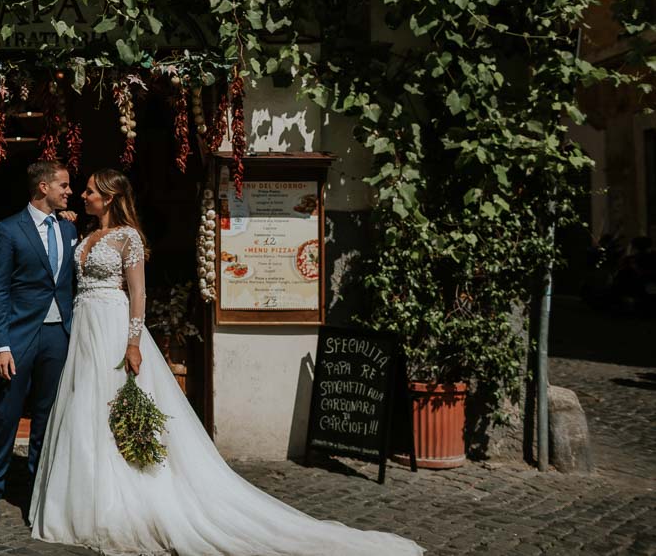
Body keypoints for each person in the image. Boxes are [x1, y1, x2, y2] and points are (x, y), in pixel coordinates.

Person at [30, 168, 424, 556]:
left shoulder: (127, 238)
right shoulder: (83, 233)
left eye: (89, 191)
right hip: (84, 332)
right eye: (80, 191)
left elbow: (138, 295)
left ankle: (123, 498)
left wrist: (133, 343)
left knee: (116, 410)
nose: (82, 196)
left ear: (110, 197)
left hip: (113, 328)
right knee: (85, 412)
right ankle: (84, 497)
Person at [0, 160, 77, 530]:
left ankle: (38, 495)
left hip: (60, 336)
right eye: (63, 185)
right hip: (19, 337)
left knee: (48, 419)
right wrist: (0, 346)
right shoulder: (7, 230)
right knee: (6, 416)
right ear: (43, 187)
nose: (69, 191)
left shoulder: (70, 227)